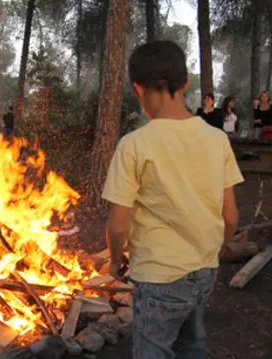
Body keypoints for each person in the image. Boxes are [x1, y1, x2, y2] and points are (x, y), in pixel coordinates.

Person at [102, 41, 242, 359]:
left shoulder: (134, 145)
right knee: (191, 345)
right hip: (204, 271)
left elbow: (118, 224)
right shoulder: (217, 139)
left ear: (138, 89)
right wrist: (217, 249)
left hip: (158, 277)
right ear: (186, 83)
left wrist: (115, 260)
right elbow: (231, 216)